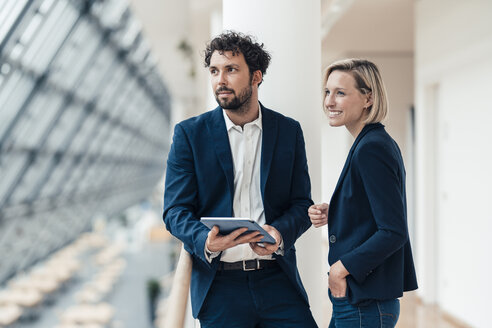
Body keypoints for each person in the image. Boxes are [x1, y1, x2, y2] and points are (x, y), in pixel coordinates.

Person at [163, 31, 317, 328]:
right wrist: (205, 240)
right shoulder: (189, 135)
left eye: (231, 70)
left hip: (278, 282)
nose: (220, 80)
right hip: (220, 287)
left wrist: (280, 234)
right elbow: (174, 211)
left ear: (256, 76)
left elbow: (301, 203)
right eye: (214, 71)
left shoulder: (288, 132)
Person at [308, 59, 418, 327]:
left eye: (341, 93)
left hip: (365, 303)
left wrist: (340, 268)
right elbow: (374, 211)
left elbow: (393, 231)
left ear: (368, 98)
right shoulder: (369, 143)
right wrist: (335, 210)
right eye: (327, 91)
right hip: (359, 302)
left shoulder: (372, 148)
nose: (329, 102)